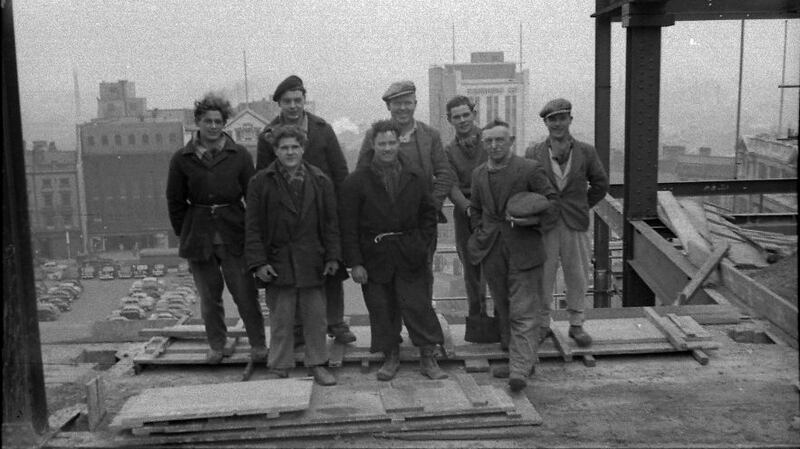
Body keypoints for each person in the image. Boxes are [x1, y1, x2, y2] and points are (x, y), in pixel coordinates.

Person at [341, 120, 447, 381]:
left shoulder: (416, 176)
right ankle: (390, 356)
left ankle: (427, 356)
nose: (387, 148)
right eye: (382, 143)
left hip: (409, 251)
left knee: (417, 303)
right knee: (382, 307)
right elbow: (348, 225)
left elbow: (428, 215)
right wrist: (355, 263)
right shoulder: (357, 181)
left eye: (392, 142)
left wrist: (421, 245)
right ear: (373, 145)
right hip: (374, 254)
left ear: (399, 143)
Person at [166, 93, 266, 365]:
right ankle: (217, 345)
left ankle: (258, 344)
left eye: (218, 121)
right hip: (199, 237)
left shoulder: (239, 155)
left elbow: (253, 197)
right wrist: (185, 233)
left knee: (245, 293)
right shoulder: (182, 158)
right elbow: (175, 202)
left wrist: (252, 235)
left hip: (234, 233)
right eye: (207, 121)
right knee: (209, 297)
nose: (212, 126)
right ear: (198, 121)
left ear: (224, 123)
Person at [256, 75, 354, 344]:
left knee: (331, 266)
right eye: (287, 101)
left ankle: (335, 322)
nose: (293, 106)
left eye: (298, 100)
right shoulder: (267, 135)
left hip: (323, 211)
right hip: (286, 215)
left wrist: (341, 210)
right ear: (279, 103)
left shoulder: (322, 129)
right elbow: (261, 178)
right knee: (293, 271)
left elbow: (340, 171)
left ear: (304, 100)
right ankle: (299, 329)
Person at [468, 120, 559, 392]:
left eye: (499, 140)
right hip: (492, 249)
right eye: (489, 141)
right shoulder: (479, 174)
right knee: (504, 308)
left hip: (524, 249)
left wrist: (528, 221)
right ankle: (520, 359)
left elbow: (552, 204)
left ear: (511, 141)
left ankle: (518, 369)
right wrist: (480, 232)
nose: (494, 145)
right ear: (483, 144)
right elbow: (475, 208)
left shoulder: (529, 169)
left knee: (523, 311)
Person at [245, 125, 339, 386]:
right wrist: (259, 262)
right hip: (277, 262)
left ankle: (318, 363)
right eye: (284, 148)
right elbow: (252, 226)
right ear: (275, 150)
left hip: (313, 260)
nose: (290, 152)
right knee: (281, 317)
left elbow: (331, 223)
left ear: (303, 148)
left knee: (316, 317)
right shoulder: (260, 182)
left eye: (294, 147)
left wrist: (332, 256)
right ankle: (279, 365)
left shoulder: (320, 180)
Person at [356, 81, 455, 293]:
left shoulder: (430, 136)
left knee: (421, 278)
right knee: (384, 283)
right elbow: (361, 177)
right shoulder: (373, 136)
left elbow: (445, 174)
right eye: (397, 103)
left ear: (415, 104)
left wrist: (431, 206)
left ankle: (420, 323)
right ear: (388, 107)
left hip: (419, 225)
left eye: (407, 103)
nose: (402, 108)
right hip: (382, 228)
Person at [525, 99, 609, 347]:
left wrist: (582, 205)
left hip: (575, 223)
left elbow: (600, 184)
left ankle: (577, 324)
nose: (558, 124)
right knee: (544, 275)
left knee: (578, 274)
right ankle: (542, 324)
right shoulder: (534, 153)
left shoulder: (586, 152)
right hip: (546, 224)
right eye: (552, 119)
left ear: (570, 120)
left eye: (562, 118)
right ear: (546, 123)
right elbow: (526, 186)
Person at [443, 95, 489, 332]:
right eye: (456, 117)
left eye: (465, 115)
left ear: (473, 114)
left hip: (493, 212)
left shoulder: (490, 140)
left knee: (499, 268)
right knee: (472, 272)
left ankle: (504, 325)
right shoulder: (448, 151)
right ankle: (478, 321)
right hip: (466, 215)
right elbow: (450, 184)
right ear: (449, 120)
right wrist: (469, 209)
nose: (462, 120)